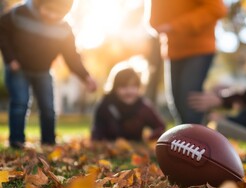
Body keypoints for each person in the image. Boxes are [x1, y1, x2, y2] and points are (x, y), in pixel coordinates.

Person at [0, 0, 97, 148]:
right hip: (18, 68)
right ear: (40, 4)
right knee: (20, 102)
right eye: (49, 10)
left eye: (58, 13)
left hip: (43, 71)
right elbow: (2, 32)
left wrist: (86, 76)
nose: (52, 15)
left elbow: (72, 57)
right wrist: (10, 58)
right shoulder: (19, 13)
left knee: (48, 108)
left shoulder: (64, 29)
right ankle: (17, 141)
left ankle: (48, 141)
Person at [146, 0, 227, 124]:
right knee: (176, 103)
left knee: (189, 103)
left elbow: (217, 8)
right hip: (172, 51)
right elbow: (155, 22)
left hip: (199, 48)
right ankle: (185, 140)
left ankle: (198, 140)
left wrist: (175, 26)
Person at [91, 65, 165, 142]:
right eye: (123, 86)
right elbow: (96, 133)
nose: (129, 91)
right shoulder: (105, 105)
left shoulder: (143, 107)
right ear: (115, 87)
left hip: (136, 149)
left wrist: (150, 138)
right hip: (109, 148)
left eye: (133, 86)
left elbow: (160, 127)